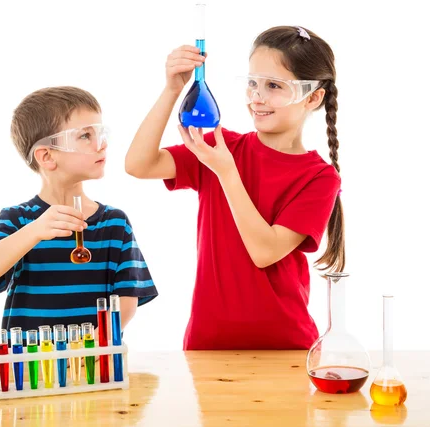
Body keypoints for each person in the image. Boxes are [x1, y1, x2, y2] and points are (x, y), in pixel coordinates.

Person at [125, 26, 342, 350]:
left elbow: (265, 252)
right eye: (252, 83)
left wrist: (226, 173)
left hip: (285, 347)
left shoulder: (319, 177)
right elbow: (138, 164)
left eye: (274, 86)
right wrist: (172, 90)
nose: (257, 96)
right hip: (207, 343)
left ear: (312, 97)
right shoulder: (223, 147)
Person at [0, 86, 158, 338]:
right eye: (85, 136)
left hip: (94, 366)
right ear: (46, 156)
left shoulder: (114, 223)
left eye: (100, 133)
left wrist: (87, 346)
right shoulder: (18, 219)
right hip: (30, 370)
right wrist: (35, 230)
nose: (101, 145)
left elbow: (126, 302)